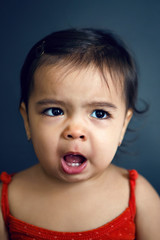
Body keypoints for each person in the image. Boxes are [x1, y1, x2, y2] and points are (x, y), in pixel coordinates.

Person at [0, 28, 159, 240]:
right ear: (27, 120)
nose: (75, 131)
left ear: (122, 126)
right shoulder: (7, 199)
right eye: (55, 111)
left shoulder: (138, 196)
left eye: (99, 113)